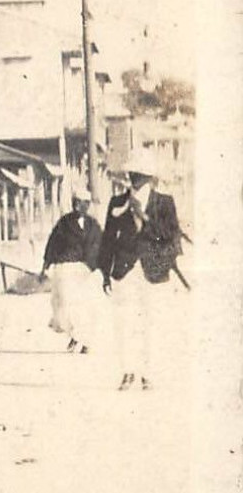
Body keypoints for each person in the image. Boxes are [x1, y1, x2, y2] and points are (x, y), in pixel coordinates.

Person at [98, 150, 182, 392]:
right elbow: (107, 241)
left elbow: (172, 239)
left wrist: (144, 217)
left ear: (150, 177)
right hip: (124, 271)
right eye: (132, 174)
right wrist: (105, 273)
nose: (135, 178)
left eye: (140, 175)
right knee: (123, 323)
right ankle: (127, 372)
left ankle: (148, 374)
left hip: (153, 272)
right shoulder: (116, 203)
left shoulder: (164, 203)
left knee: (151, 323)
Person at [39, 190, 102, 354]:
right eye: (78, 202)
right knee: (65, 304)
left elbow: (101, 247)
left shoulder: (93, 225)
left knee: (86, 306)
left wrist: (101, 268)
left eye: (85, 203)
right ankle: (74, 335)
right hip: (65, 268)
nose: (81, 206)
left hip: (85, 269)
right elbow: (52, 245)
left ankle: (85, 340)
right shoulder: (64, 223)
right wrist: (44, 267)